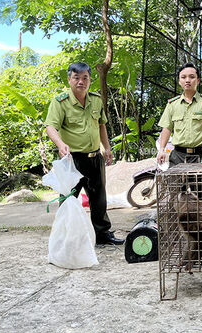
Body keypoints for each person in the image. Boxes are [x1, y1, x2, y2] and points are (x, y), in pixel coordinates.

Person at [45, 62, 124, 245]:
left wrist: (107, 148)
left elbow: (101, 124)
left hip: (94, 158)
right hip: (72, 160)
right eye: (76, 78)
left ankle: (102, 235)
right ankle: (67, 237)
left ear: (90, 80)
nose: (81, 81)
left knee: (99, 199)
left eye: (85, 78)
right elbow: (50, 127)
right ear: (69, 79)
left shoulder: (95, 100)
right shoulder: (60, 102)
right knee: (68, 199)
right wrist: (60, 144)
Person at [156, 63, 202, 200]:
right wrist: (161, 149)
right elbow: (166, 128)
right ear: (179, 81)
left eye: (192, 77)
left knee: (200, 195)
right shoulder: (172, 104)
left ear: (197, 80)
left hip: (199, 155)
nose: (187, 80)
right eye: (183, 77)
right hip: (178, 155)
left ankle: (198, 221)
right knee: (175, 193)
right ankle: (178, 221)